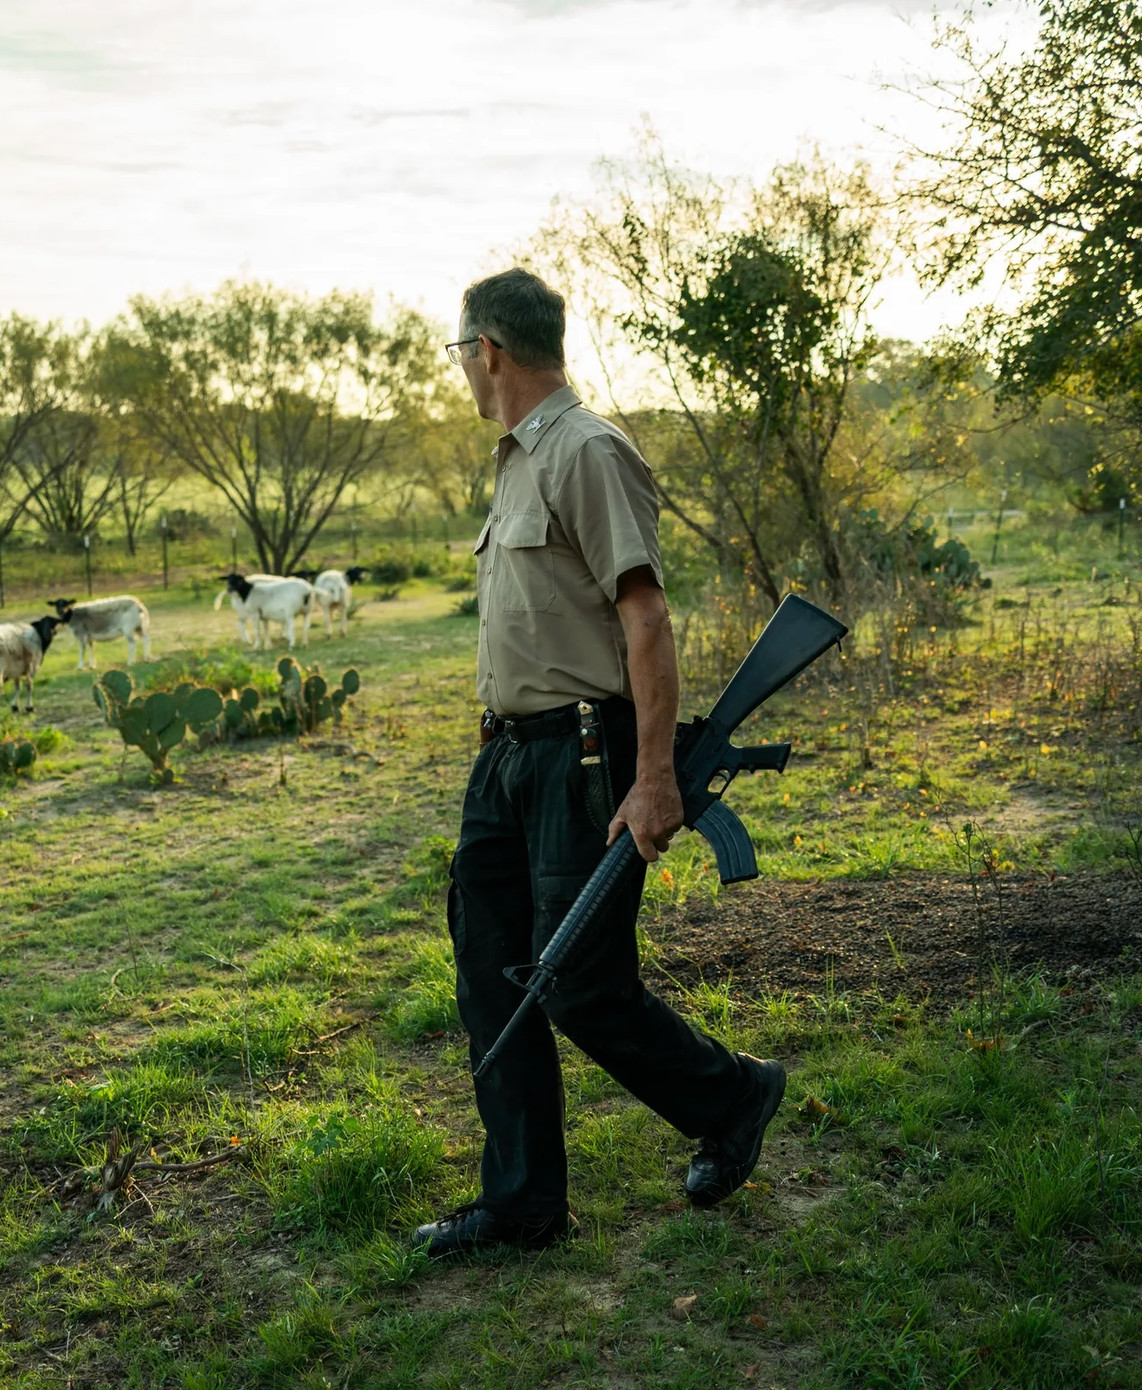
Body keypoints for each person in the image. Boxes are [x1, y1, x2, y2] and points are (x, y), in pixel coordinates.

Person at [412, 267, 786, 1258]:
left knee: (576, 981)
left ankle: (734, 1094)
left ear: (487, 350)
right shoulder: (515, 461)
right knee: (494, 974)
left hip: (583, 753)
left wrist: (654, 774)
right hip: (506, 761)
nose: (460, 369)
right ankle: (523, 1204)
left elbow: (645, 615)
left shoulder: (587, 450)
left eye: (459, 352)